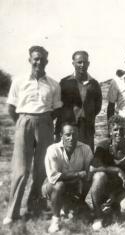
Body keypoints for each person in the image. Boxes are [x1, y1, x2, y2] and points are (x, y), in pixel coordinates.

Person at [3, 46, 63, 225]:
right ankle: (12, 213)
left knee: (41, 169)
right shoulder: (19, 81)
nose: (39, 62)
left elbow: (56, 109)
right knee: (21, 170)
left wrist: (44, 122)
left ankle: (34, 207)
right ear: (30, 60)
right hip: (24, 123)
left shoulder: (53, 84)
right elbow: (11, 108)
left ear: (47, 61)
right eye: (35, 59)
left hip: (45, 123)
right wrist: (23, 124)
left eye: (42, 59)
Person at [86, 115, 125, 230]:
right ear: (110, 131)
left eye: (121, 129)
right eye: (115, 129)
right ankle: (98, 215)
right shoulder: (103, 146)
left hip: (120, 191)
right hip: (103, 189)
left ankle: (112, 209)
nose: (118, 132)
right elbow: (92, 168)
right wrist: (117, 170)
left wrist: (115, 195)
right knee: (99, 176)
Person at [41, 123, 93, 233]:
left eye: (74, 135)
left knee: (87, 218)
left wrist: (84, 176)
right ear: (61, 135)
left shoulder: (86, 149)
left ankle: (77, 203)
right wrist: (78, 174)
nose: (71, 138)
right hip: (52, 186)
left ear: (78, 135)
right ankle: (55, 219)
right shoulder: (53, 149)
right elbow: (54, 177)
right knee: (59, 185)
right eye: (68, 135)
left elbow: (89, 173)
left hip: (73, 188)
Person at [55, 50, 102, 150]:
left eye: (85, 62)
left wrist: (87, 114)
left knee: (87, 157)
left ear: (88, 64)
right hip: (68, 128)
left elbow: (97, 107)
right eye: (79, 62)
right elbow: (59, 108)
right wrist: (58, 130)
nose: (82, 65)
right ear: (73, 63)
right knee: (68, 158)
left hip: (87, 129)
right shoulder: (65, 82)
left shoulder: (94, 84)